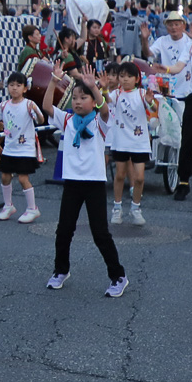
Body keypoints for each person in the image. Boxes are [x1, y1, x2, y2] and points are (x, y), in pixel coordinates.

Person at [42, 66, 129, 295]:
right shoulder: (68, 120)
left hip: (93, 183)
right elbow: (46, 107)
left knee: (100, 232)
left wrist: (94, 86)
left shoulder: (99, 121)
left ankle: (118, 276)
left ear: (92, 101)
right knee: (63, 230)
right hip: (72, 182)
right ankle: (61, 270)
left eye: (83, 98)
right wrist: (53, 81)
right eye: (75, 98)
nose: (78, 102)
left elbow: (105, 109)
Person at [149, 11, 192, 201]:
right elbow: (152, 55)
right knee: (166, 122)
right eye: (170, 24)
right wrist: (144, 41)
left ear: (183, 25)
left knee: (190, 130)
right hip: (167, 89)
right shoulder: (163, 41)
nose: (173, 28)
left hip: (190, 92)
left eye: (177, 24)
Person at [106, 61, 157, 225]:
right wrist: (102, 88)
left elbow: (154, 108)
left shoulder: (142, 93)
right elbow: (106, 100)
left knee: (139, 178)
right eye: (122, 76)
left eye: (129, 76)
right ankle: (117, 208)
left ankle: (136, 208)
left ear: (136, 79)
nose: (125, 79)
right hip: (120, 140)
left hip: (139, 141)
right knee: (120, 175)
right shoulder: (116, 94)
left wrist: (150, 101)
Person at [0, 71, 43, 223]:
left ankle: (32, 208)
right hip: (9, 148)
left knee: (22, 178)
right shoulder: (4, 105)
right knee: (5, 176)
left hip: (25, 148)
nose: (14, 88)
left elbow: (40, 120)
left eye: (18, 85)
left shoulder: (28, 104)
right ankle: (8, 206)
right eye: (11, 85)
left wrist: (36, 111)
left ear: (25, 88)